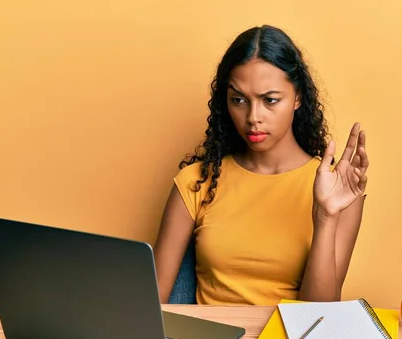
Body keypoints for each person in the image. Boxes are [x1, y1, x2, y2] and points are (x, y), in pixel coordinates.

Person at [154, 25, 369, 306]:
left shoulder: (337, 191)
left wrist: (326, 217)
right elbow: (150, 304)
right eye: (239, 100)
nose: (253, 117)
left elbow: (320, 316)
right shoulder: (196, 181)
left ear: (298, 98)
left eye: (270, 100)